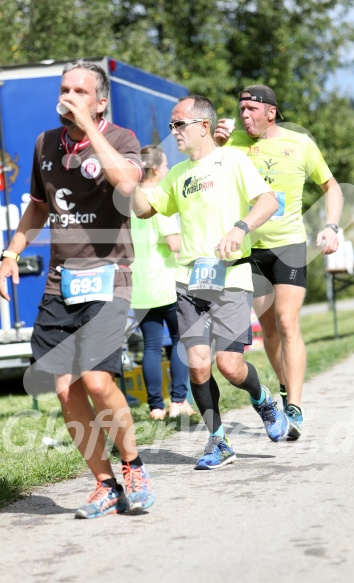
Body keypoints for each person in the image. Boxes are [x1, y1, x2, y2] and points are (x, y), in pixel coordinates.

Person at [0, 60, 154, 518]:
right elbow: (38, 208)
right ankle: (105, 484)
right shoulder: (45, 143)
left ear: (101, 100)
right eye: (65, 89)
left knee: (98, 379)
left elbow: (126, 183)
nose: (69, 97)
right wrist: (10, 253)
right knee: (66, 390)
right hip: (59, 282)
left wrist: (90, 126)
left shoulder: (122, 139)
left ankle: (134, 467)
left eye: (81, 91)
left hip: (110, 275)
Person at [132, 95, 289, 470]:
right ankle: (217, 440)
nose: (174, 133)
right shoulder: (176, 174)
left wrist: (241, 227)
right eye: (171, 126)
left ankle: (262, 397)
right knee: (199, 367)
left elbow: (268, 202)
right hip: (189, 282)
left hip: (231, 276)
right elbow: (143, 209)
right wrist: (129, 178)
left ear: (203, 126)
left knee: (231, 367)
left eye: (178, 125)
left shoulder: (232, 160)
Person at [214, 85, 343, 440]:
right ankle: (285, 389)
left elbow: (331, 186)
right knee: (268, 329)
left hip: (288, 244)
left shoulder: (300, 144)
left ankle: (295, 407)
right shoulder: (232, 141)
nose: (244, 115)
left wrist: (331, 226)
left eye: (251, 109)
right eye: (241, 109)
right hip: (249, 250)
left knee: (288, 322)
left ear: (271, 111)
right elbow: (204, 170)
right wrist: (216, 143)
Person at [131, 144, 193, 420]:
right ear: (155, 169)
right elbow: (173, 243)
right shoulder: (157, 199)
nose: (168, 169)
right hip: (167, 284)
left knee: (151, 347)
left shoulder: (130, 199)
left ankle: (156, 407)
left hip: (139, 286)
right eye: (166, 165)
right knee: (181, 341)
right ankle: (179, 401)